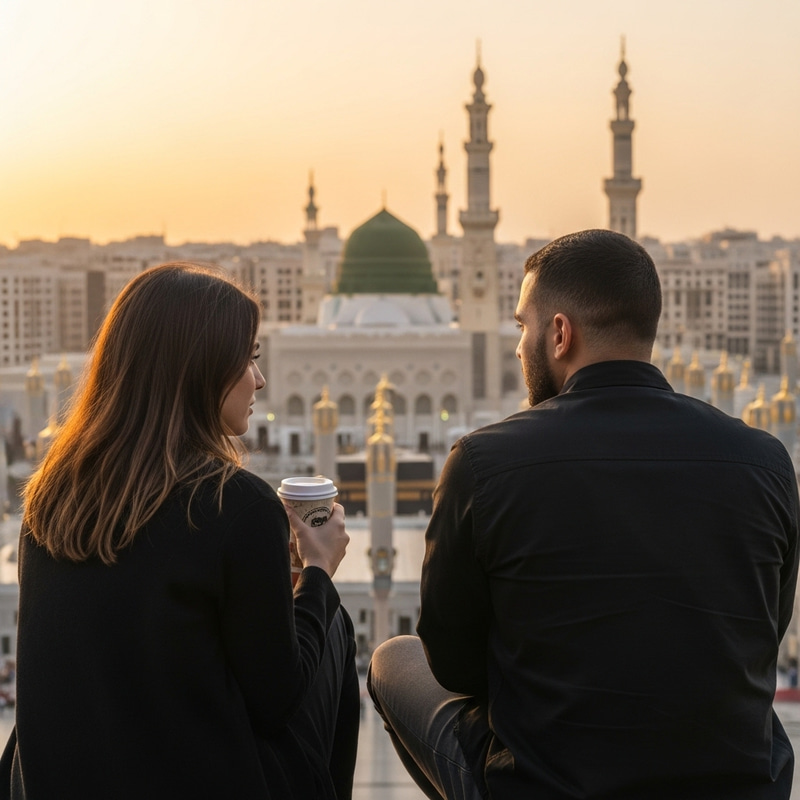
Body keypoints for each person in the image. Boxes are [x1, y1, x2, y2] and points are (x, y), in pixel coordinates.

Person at [368, 229, 800, 799]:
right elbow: (763, 633)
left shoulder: (485, 462)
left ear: (560, 333)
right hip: (733, 783)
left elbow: (453, 666)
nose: (519, 347)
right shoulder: (764, 461)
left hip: (548, 784)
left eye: (523, 327)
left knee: (392, 659)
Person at [0, 263, 359, 799]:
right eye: (249, 359)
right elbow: (279, 699)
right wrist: (318, 571)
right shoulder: (235, 504)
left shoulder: (49, 498)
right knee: (331, 626)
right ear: (199, 368)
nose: (258, 380)